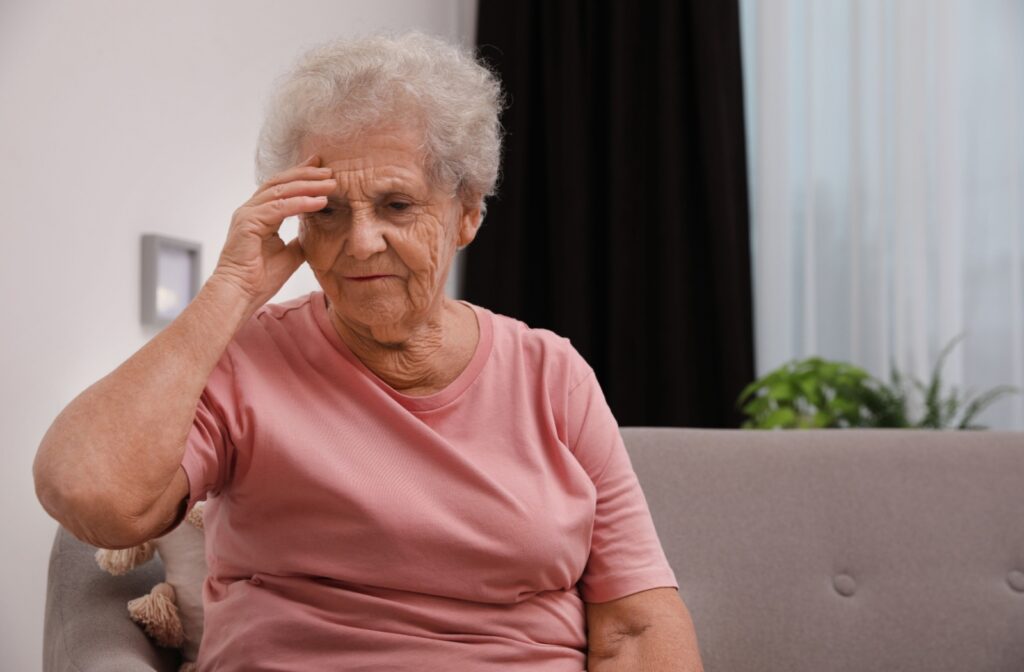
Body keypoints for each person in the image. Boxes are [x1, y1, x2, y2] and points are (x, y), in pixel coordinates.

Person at [33, 31, 703, 671]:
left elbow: (638, 623)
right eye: (326, 211)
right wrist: (228, 292)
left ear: (467, 211)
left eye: (396, 204)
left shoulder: (551, 375)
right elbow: (89, 496)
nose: (359, 243)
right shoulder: (246, 361)